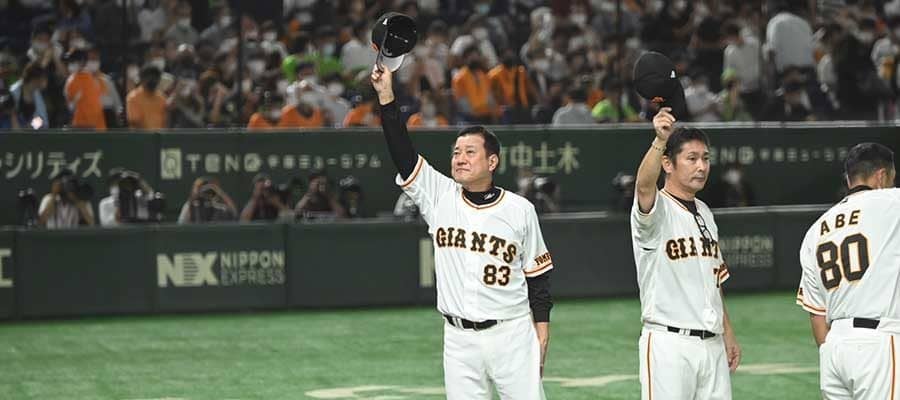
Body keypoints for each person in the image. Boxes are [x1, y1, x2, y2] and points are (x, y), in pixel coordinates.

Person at [372, 62, 553, 400]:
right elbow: (402, 153)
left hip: (511, 332)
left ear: (492, 162)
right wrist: (386, 97)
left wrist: (542, 329)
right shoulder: (439, 196)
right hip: (458, 339)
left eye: (470, 152)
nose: (460, 158)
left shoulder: (520, 210)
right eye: (456, 152)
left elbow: (538, 276)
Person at [631, 108, 741, 400]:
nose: (701, 166)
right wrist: (659, 141)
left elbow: (714, 280)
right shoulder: (658, 209)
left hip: (712, 344)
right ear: (668, 163)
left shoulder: (705, 212)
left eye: (705, 158)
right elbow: (643, 187)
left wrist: (727, 331)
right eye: (691, 159)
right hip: (669, 343)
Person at [795, 143, 900, 400]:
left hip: (833, 348)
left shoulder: (816, 229)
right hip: (877, 344)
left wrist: (832, 355)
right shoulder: (892, 202)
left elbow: (817, 314)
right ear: (881, 176)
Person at [126, 66, 169, 130]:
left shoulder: (162, 98)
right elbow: (135, 122)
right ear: (142, 79)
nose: (153, 80)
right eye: (149, 78)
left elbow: (166, 122)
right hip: (141, 135)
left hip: (160, 135)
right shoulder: (133, 97)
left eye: (155, 78)